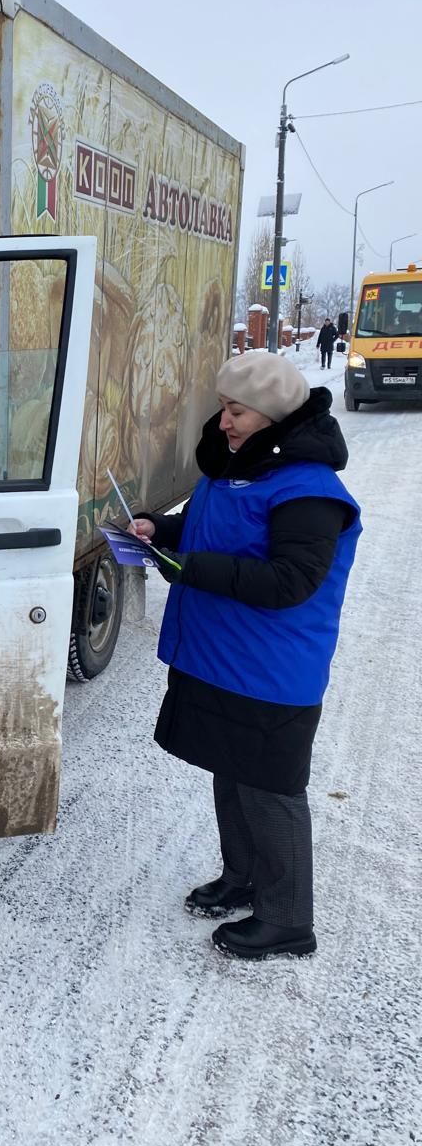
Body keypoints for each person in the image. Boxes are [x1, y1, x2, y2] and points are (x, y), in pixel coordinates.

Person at [130, 350, 361, 961]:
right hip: (222, 657)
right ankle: (243, 879)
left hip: (271, 670)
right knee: (230, 772)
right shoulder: (238, 469)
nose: (225, 423)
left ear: (270, 414)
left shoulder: (309, 489)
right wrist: (161, 530)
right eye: (224, 411)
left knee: (271, 789)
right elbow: (209, 528)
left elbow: (291, 582)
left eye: (236, 412)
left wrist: (192, 570)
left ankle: (288, 920)